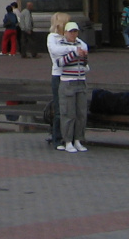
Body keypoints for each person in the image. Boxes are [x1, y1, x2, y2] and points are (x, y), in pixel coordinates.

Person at [50, 20, 90, 153]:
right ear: (65, 33)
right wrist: (74, 54)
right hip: (67, 81)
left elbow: (84, 63)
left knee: (81, 113)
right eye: (71, 31)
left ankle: (78, 139)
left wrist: (84, 58)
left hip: (80, 80)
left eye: (75, 31)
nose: (73, 34)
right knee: (68, 113)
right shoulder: (61, 44)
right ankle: (67, 141)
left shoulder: (81, 44)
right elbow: (59, 62)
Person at [47, 11, 71, 145]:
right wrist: (72, 50)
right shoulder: (52, 37)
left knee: (69, 109)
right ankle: (57, 138)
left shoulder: (69, 37)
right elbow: (56, 51)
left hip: (71, 75)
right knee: (59, 108)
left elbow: (82, 47)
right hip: (58, 75)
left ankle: (69, 137)